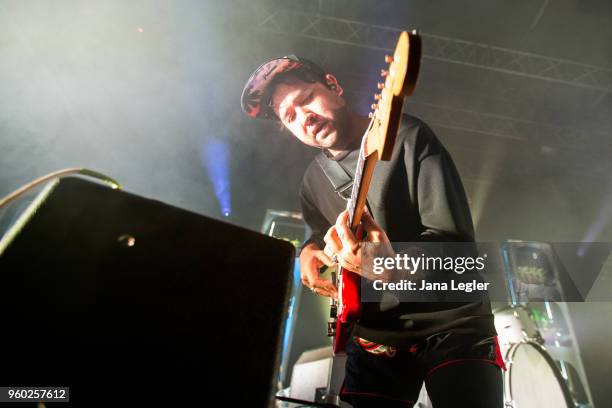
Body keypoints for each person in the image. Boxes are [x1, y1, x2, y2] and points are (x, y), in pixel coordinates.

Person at [241, 55, 505, 407]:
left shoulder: (407, 138)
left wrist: (390, 267)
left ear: (334, 86)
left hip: (451, 319)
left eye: (306, 99)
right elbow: (321, 233)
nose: (305, 117)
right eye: (290, 116)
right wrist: (308, 252)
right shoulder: (313, 181)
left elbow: (457, 250)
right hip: (376, 333)